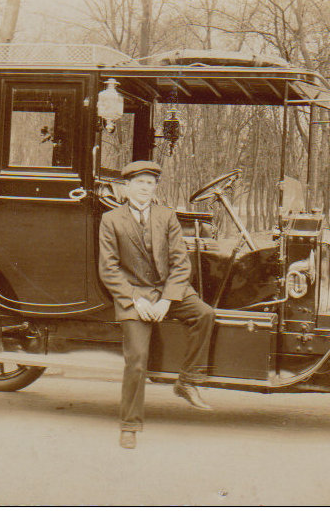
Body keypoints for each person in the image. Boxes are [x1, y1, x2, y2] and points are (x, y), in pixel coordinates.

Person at [98, 160, 215, 450]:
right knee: (137, 359)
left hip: (167, 292)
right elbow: (109, 270)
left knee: (204, 313)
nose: (145, 189)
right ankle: (130, 426)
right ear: (126, 187)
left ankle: (187, 381)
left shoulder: (167, 216)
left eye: (150, 184)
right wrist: (135, 301)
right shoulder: (111, 220)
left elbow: (180, 263)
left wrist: (166, 300)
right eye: (140, 183)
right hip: (133, 295)